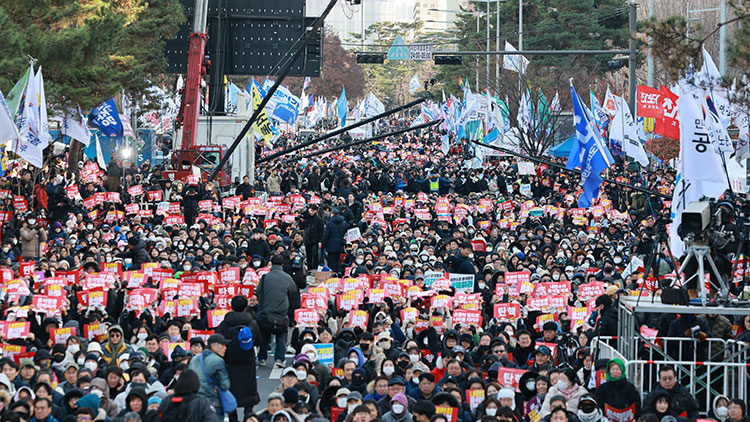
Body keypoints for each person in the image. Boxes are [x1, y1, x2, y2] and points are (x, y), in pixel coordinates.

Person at [216, 295, 261, 421]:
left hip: (230, 363)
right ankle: (248, 415)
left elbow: (219, 340)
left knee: (232, 391)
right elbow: (258, 341)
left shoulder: (225, 324)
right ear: (245, 308)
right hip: (248, 363)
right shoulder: (252, 323)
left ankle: (233, 417)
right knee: (249, 391)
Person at [256, 254, 297, 367]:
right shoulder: (287, 277)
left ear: (271, 263)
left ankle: (262, 358)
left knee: (264, 337)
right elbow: (293, 291)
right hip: (280, 313)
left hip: (266, 313)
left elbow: (259, 292)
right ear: (282, 264)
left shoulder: (265, 277)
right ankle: (279, 359)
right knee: (281, 336)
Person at [188, 333, 232, 420]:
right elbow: (225, 385)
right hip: (213, 402)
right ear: (213, 345)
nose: (225, 348)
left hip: (195, 401)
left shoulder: (194, 359)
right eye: (222, 345)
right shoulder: (218, 360)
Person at [321, 208, 349, 275]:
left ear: (332, 214)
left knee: (331, 261)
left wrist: (323, 244)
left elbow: (326, 235)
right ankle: (339, 272)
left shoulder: (329, 223)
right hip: (340, 245)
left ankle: (333, 274)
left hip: (330, 245)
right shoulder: (344, 223)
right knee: (338, 259)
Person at [300, 204, 325, 270]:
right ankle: (309, 268)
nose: (310, 212)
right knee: (308, 255)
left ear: (315, 211)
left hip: (315, 240)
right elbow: (302, 227)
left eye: (312, 210)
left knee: (315, 255)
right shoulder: (307, 218)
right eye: (310, 210)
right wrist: (300, 221)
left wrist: (320, 241)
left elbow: (321, 231)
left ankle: (315, 268)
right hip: (307, 240)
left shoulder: (319, 220)